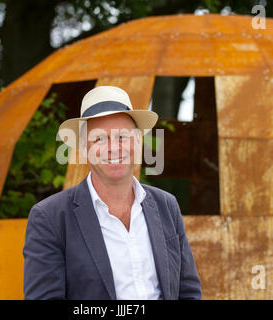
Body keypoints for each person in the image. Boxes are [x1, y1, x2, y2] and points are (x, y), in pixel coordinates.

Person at [23, 86, 201, 300]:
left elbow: (188, 291)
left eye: (122, 136)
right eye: (99, 139)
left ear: (137, 141)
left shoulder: (167, 206)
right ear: (83, 147)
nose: (113, 148)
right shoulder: (50, 218)